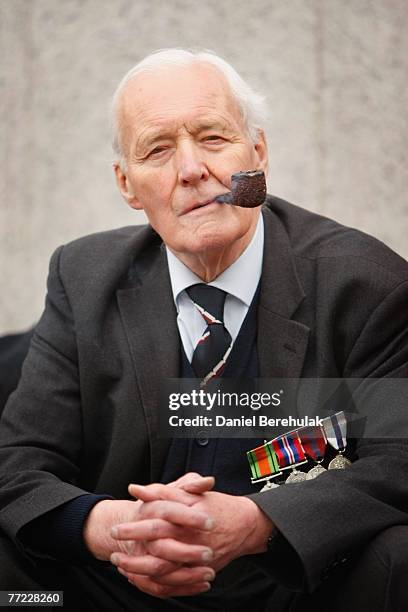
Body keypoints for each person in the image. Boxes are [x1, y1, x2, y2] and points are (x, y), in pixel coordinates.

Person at [0, 48, 408, 612]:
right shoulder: (83, 276)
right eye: (158, 150)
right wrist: (118, 527)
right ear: (127, 183)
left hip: (298, 591)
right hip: (116, 587)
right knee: (17, 588)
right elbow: (19, 463)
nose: (191, 170)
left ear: (257, 155)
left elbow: (398, 458)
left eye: (214, 139)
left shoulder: (364, 282)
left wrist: (255, 522)